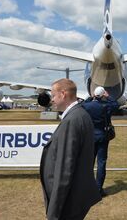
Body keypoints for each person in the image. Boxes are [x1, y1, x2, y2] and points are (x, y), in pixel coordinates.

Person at [40, 79, 102, 220]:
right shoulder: (80, 114)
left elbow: (64, 169)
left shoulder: (72, 120)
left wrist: (54, 212)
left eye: (53, 95)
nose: (52, 100)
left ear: (63, 94)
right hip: (75, 196)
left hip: (69, 201)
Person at [81, 86, 119, 197]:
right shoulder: (106, 106)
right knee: (101, 163)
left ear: (94, 95)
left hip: (90, 136)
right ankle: (98, 189)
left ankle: (87, 187)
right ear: (103, 95)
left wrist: (89, 97)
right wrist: (109, 97)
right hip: (103, 136)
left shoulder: (87, 106)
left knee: (89, 163)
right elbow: (116, 105)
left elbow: (80, 105)